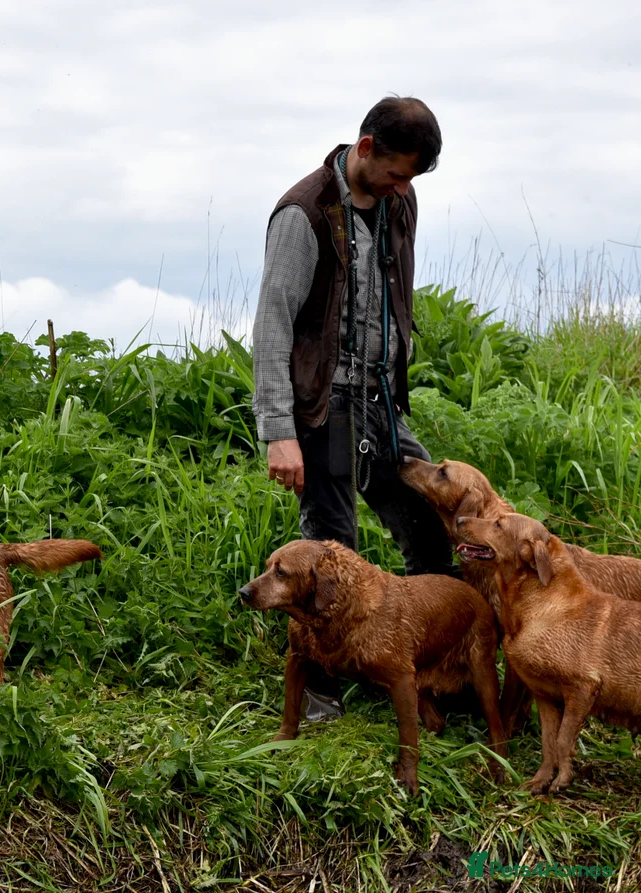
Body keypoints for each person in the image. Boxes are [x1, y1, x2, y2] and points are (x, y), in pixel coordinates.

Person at [251, 96, 456, 721]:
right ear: (365, 147)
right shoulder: (303, 213)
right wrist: (279, 431)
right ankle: (319, 692)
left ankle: (430, 673)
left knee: (431, 520)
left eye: (412, 178)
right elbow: (273, 325)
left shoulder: (400, 201)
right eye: (397, 172)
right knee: (330, 549)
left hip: (380, 401)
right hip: (327, 406)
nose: (403, 187)